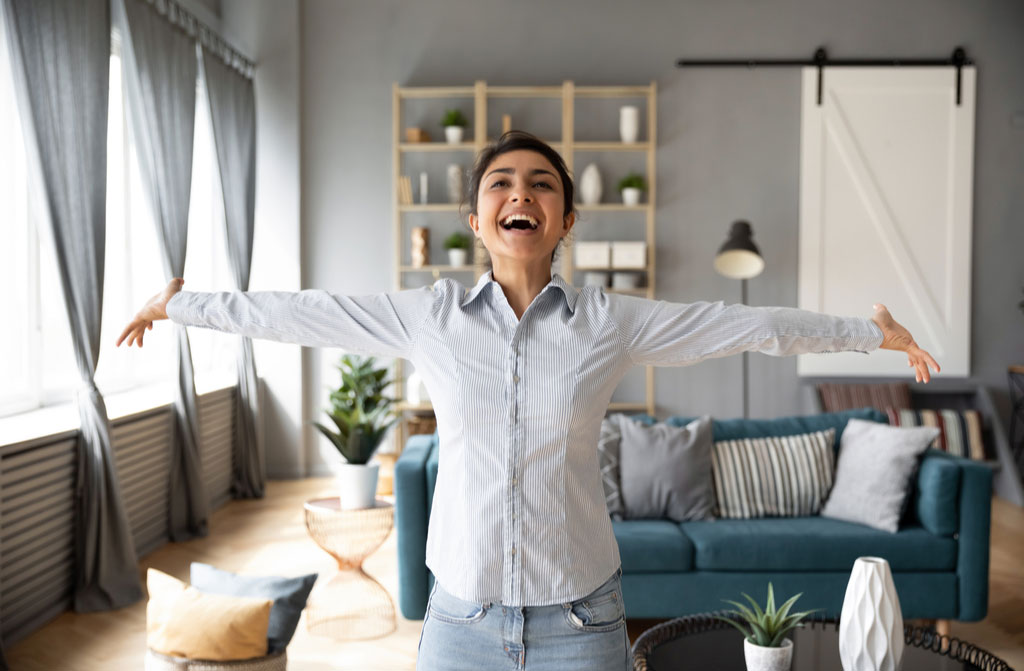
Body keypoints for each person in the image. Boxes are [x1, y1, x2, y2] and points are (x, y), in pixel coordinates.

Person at [118, 131, 939, 671]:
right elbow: (303, 311)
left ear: (565, 219)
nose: (522, 192)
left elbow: (744, 324)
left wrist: (872, 334)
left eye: (542, 184)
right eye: (502, 183)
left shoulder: (610, 322)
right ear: (478, 219)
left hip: (581, 623)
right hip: (459, 623)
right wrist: (179, 305)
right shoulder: (428, 313)